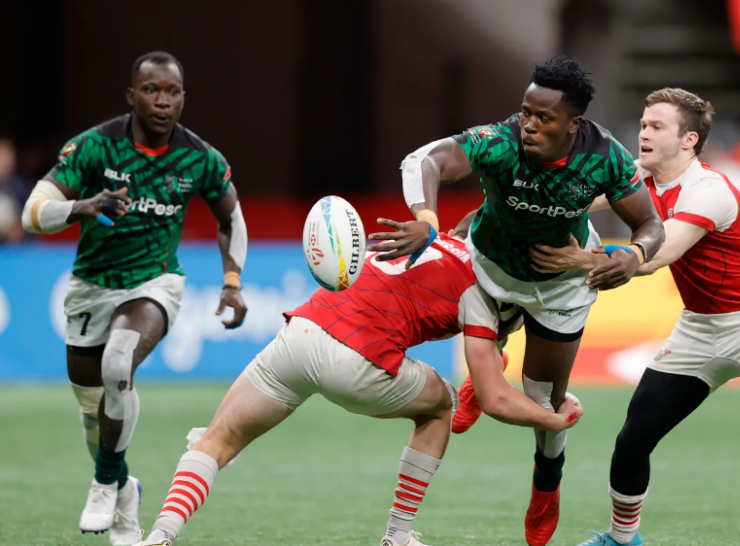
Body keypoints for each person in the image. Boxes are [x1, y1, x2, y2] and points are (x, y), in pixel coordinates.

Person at [133, 211, 583, 546]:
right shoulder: (482, 291)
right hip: (357, 363)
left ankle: (159, 536)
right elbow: (497, 399)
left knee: (217, 440)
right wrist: (553, 422)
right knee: (439, 405)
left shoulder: (421, 237)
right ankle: (398, 535)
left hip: (300, 333)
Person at [367, 55, 665, 546]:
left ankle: (547, 481)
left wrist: (633, 255)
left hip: (561, 286)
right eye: (525, 111)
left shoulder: (605, 156)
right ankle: (490, 362)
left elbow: (650, 226)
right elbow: (427, 159)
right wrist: (426, 216)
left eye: (543, 117)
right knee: (492, 369)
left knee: (542, 399)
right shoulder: (502, 140)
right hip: (490, 270)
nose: (528, 124)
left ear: (574, 124)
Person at [533, 88, 740, 546]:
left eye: (657, 126)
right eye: (642, 124)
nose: (643, 133)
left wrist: (575, 259)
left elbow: (658, 255)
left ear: (689, 140)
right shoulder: (638, 178)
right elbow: (571, 199)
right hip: (699, 329)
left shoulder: (709, 190)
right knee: (634, 435)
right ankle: (623, 537)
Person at [20, 51, 249, 545]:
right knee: (92, 412)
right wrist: (82, 205)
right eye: (151, 90)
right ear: (132, 95)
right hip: (90, 287)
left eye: (172, 92)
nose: (162, 101)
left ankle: (103, 482)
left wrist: (232, 280)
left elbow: (231, 216)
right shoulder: (95, 148)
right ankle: (125, 492)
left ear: (183, 97)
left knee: (118, 363)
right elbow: (31, 213)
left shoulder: (200, 158)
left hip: (155, 283)